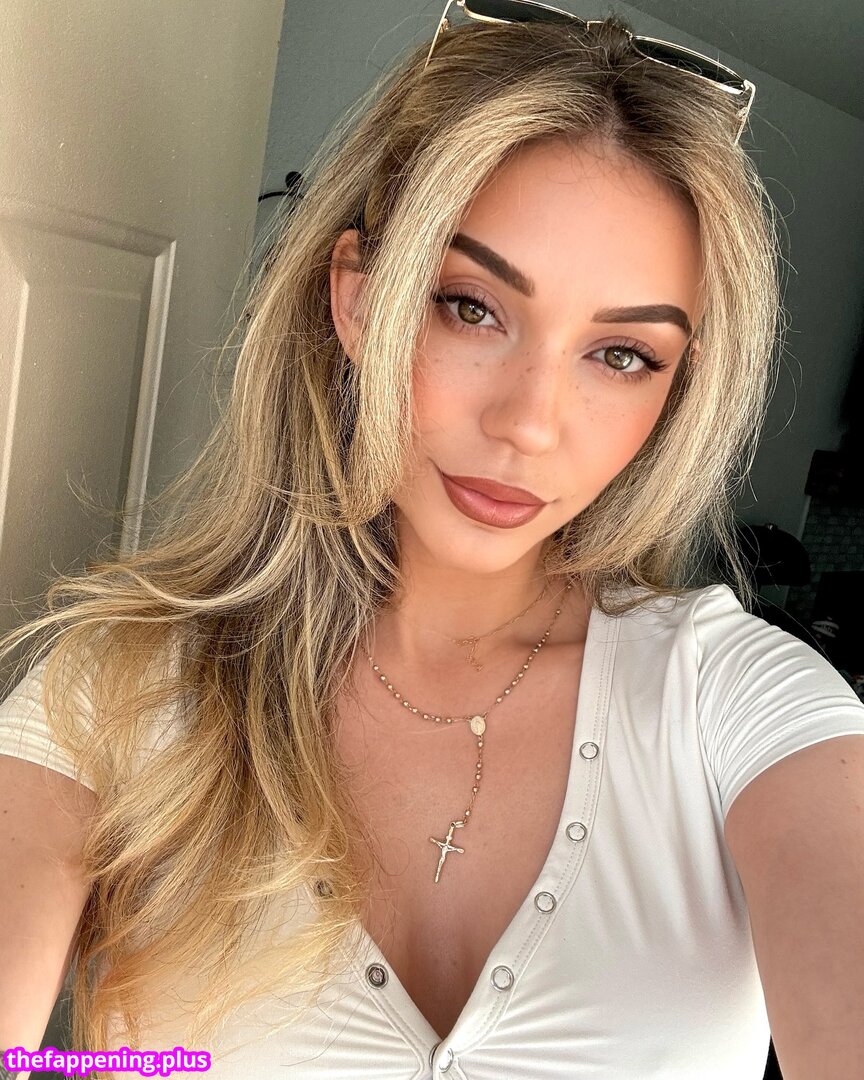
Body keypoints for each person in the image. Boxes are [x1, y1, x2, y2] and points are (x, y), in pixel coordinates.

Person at [2, 4, 864, 1078]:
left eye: (622, 356)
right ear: (360, 301)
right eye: (470, 307)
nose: (529, 424)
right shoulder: (119, 689)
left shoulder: (742, 705)